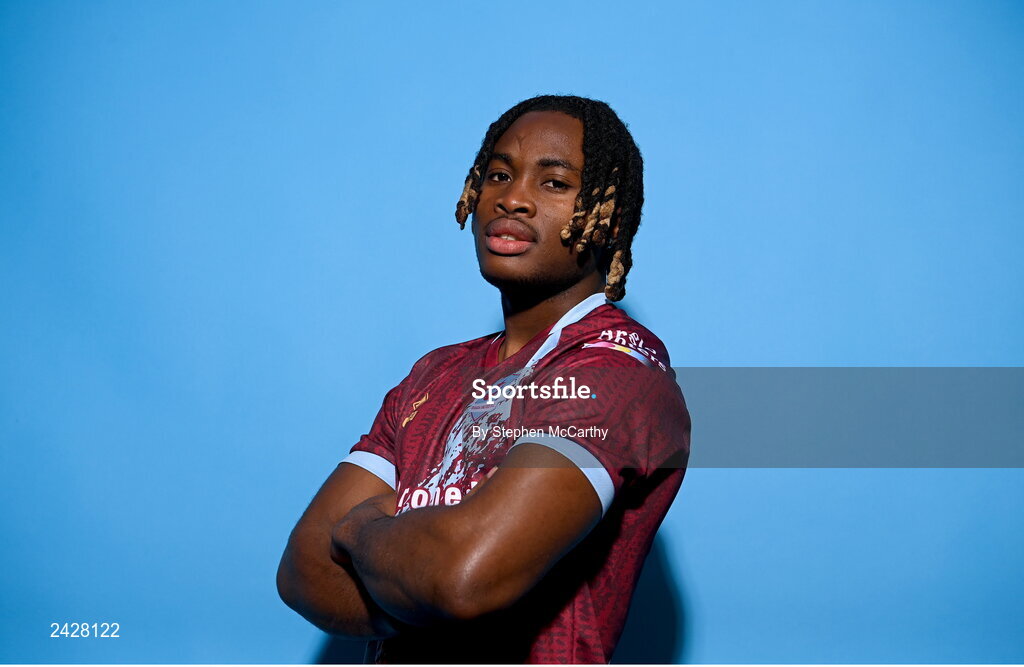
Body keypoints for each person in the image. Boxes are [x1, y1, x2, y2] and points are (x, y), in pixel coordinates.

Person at [277, 94, 691, 664]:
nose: (512, 198)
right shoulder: (436, 373)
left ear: (609, 216)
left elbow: (465, 579)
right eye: (498, 174)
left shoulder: (615, 371)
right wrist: (430, 588)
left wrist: (360, 532)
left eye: (553, 183)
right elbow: (304, 573)